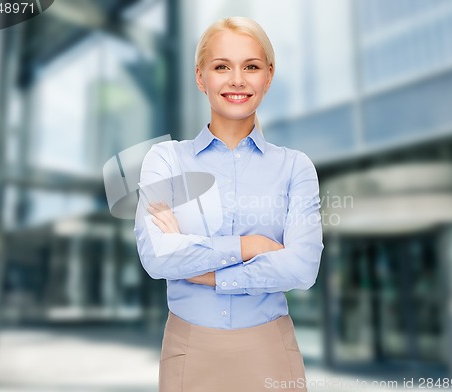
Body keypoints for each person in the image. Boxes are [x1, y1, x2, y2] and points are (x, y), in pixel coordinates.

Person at [134, 16, 323, 392]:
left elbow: (302, 268)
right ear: (200, 77)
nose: (237, 80)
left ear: (268, 76)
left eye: (251, 67)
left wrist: (208, 273)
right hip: (189, 350)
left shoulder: (294, 166)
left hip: (270, 349)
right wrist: (249, 247)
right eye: (222, 67)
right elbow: (157, 258)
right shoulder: (167, 160)